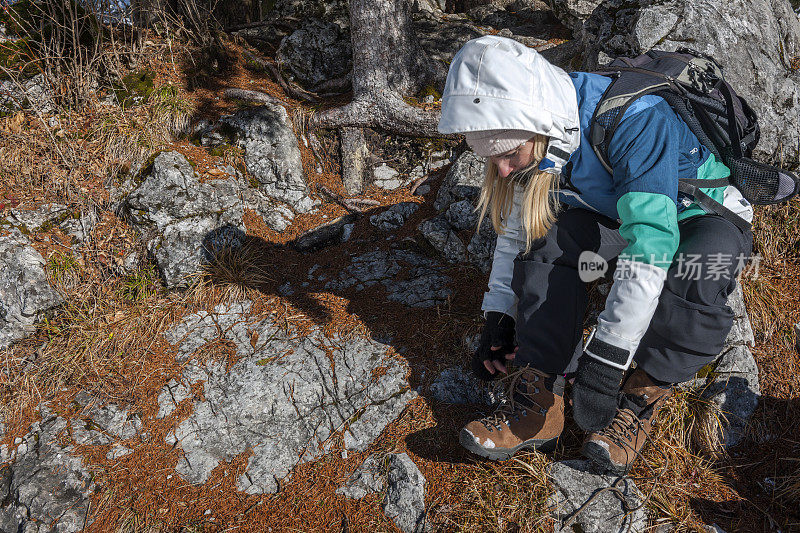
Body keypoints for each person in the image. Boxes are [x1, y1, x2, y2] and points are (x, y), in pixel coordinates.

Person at [436, 35, 754, 473]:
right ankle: (540, 399)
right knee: (547, 239)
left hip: (696, 213)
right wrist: (500, 315)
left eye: (509, 155)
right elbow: (519, 226)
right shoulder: (542, 130)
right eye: (494, 161)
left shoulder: (635, 121)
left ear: (536, 124)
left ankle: (643, 394)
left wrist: (608, 356)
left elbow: (652, 243)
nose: (503, 170)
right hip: (617, 212)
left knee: (699, 266)